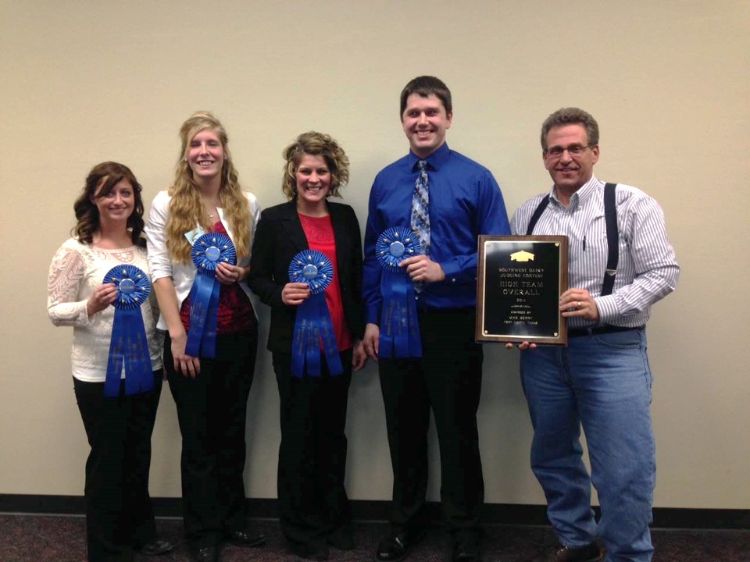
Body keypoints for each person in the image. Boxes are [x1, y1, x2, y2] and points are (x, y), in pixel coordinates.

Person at [509, 107, 679, 562]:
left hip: (613, 350)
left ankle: (628, 555)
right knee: (553, 457)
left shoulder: (632, 204)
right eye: (555, 150)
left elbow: (664, 273)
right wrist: (518, 324)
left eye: (575, 148)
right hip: (544, 359)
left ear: (595, 152)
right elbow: (517, 285)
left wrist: (601, 304)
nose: (565, 157)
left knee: (624, 468)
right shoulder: (528, 212)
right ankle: (578, 542)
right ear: (544, 157)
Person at [362, 76, 510, 562]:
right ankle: (405, 523)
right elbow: (371, 257)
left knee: (456, 429)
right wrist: (372, 317)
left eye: (431, 112)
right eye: (413, 113)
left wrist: (448, 269)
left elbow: (501, 252)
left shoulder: (477, 178)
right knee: (402, 430)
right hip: (396, 324)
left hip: (453, 323)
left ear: (448, 117)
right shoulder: (386, 181)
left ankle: (465, 528)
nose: (422, 121)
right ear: (402, 120)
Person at [144, 112, 264, 562]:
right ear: (186, 153)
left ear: (224, 150)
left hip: (239, 333)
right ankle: (201, 531)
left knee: (233, 432)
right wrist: (177, 334)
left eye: (212, 143)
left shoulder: (245, 202)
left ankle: (233, 520)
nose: (205, 152)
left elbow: (252, 263)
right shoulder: (167, 203)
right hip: (190, 336)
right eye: (196, 144)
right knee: (198, 437)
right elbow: (160, 272)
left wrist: (244, 270)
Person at [47, 162, 174, 561]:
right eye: (107, 193)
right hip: (97, 375)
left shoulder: (147, 248)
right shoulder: (75, 251)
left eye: (125, 193)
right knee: (107, 459)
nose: (117, 201)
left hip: (147, 368)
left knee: (138, 453)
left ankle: (141, 533)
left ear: (135, 199)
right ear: (93, 200)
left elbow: (159, 305)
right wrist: (89, 305)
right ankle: (107, 547)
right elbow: (54, 310)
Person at [248, 131, 366, 561]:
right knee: (299, 436)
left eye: (321, 170)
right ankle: (300, 528)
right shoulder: (276, 220)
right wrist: (280, 293)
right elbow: (256, 276)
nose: (313, 178)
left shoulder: (347, 217)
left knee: (333, 436)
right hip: (293, 348)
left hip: (338, 344)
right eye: (305, 171)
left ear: (332, 175)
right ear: (293, 174)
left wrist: (356, 334)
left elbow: (354, 279)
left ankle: (334, 517)